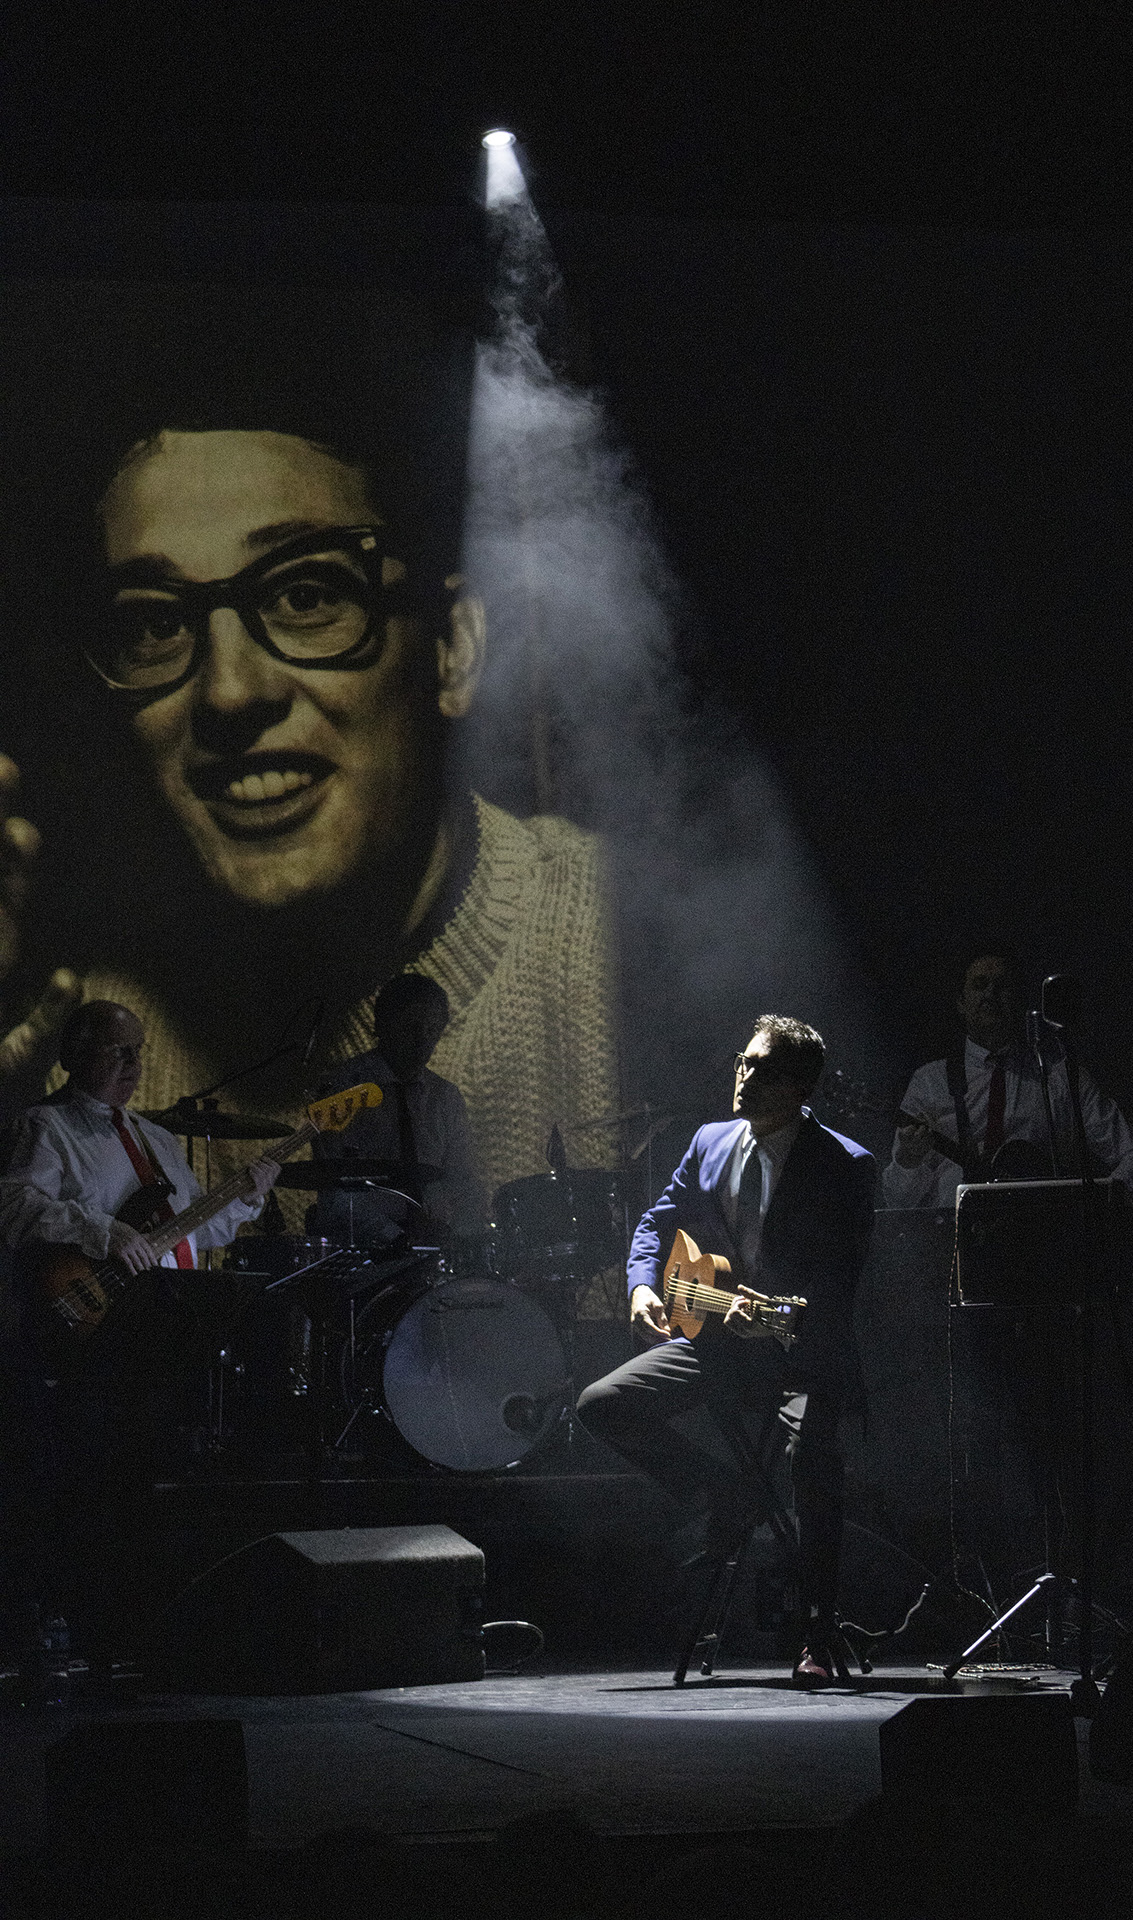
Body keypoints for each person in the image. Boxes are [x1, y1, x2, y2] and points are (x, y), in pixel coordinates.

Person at [0, 329, 618, 1210]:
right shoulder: (99, 1018)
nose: (229, 693)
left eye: (305, 595)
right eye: (155, 623)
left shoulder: (614, 943)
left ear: (451, 651)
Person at [576, 1014, 875, 1687]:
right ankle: (725, 1494)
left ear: (800, 1088)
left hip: (801, 1351)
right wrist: (639, 1289)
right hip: (718, 1342)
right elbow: (656, 1223)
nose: (743, 1077)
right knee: (603, 1405)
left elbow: (839, 1285)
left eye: (762, 1069)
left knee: (813, 1459)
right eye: (743, 1062)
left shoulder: (844, 1166)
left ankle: (817, 1632)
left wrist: (775, 1317)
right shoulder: (710, 1141)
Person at [0, 1000, 280, 1679]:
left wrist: (244, 1197)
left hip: (160, 1328)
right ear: (73, 1055)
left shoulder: (156, 1139)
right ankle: (73, 1626)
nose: (134, 1065)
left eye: (139, 1050)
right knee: (88, 1476)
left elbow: (193, 1229)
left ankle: (137, 1630)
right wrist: (105, 1232)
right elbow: (14, 1203)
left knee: (150, 1474)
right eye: (116, 1050)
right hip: (87, 1328)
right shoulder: (46, 1125)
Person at [882, 953, 1133, 1210]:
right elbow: (897, 1200)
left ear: (1019, 1000)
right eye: (980, 985)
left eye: (1002, 986)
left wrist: (1101, 1203)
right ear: (961, 1003)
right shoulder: (930, 1082)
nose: (990, 994)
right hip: (954, 1245)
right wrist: (908, 1161)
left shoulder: (1060, 1077)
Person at [311, 972, 486, 1247]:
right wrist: (396, 1237)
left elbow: (465, 1182)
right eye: (412, 1027)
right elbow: (336, 1191)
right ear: (383, 1025)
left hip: (437, 1245)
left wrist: (460, 1235)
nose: (423, 1040)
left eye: (432, 1031)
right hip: (363, 1247)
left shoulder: (445, 1097)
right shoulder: (343, 1088)